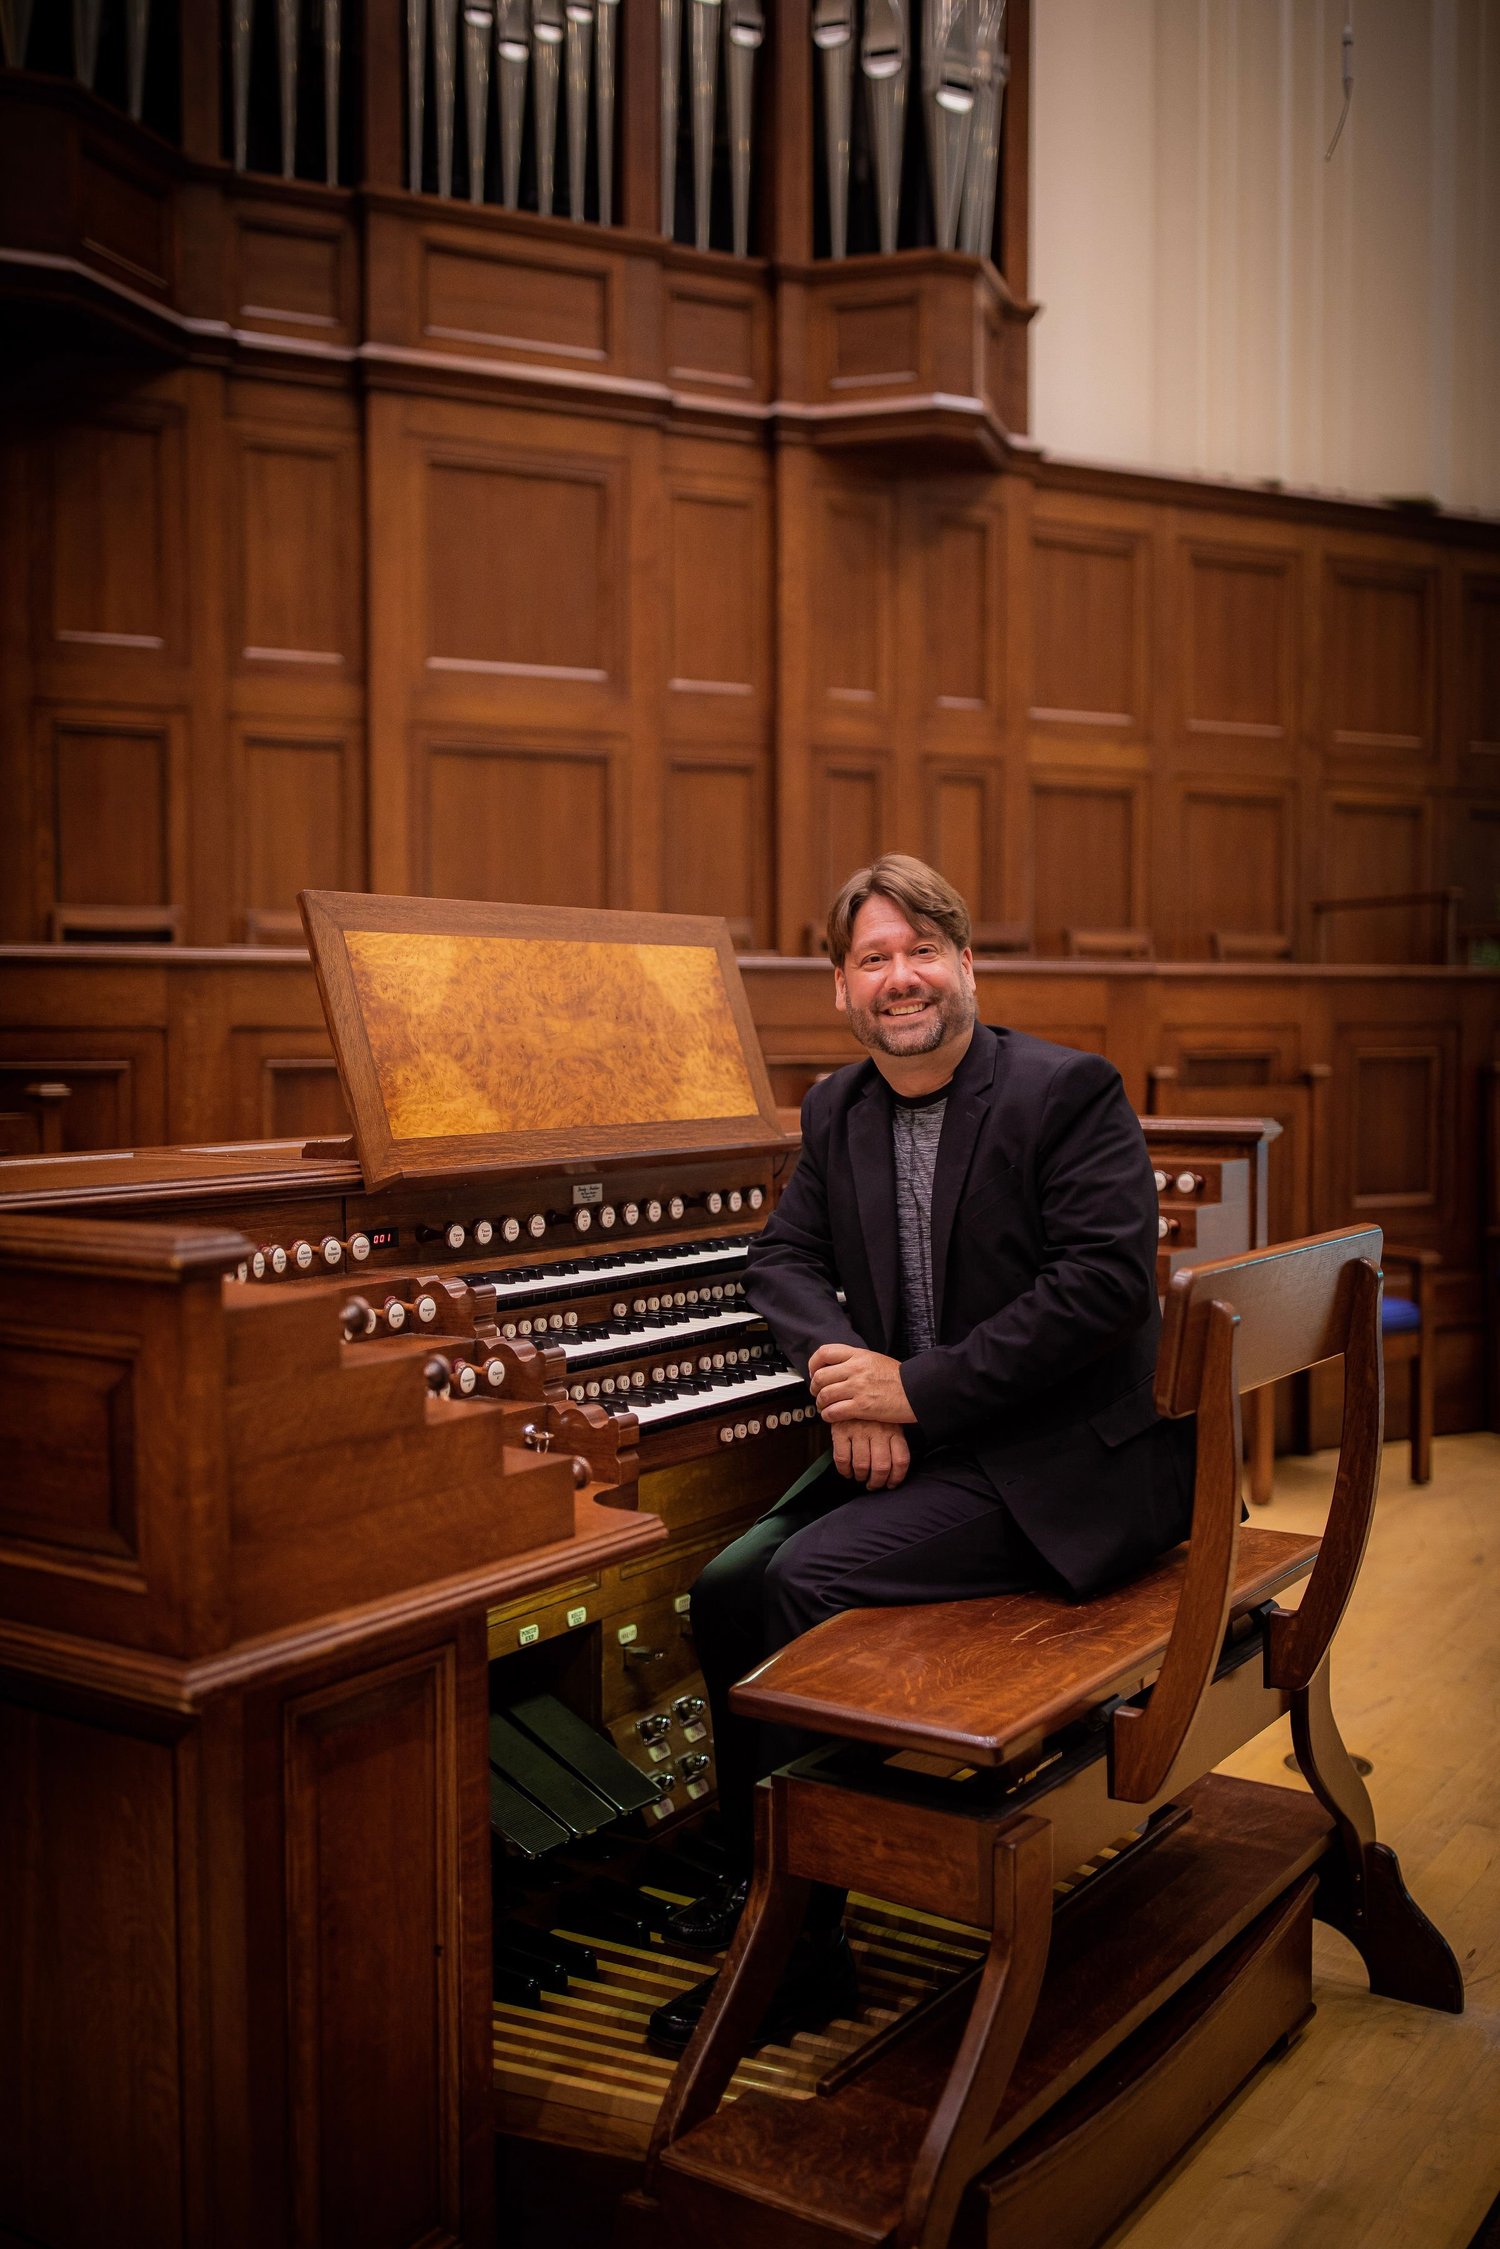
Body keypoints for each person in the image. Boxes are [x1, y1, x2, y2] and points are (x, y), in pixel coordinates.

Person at [647, 854, 1195, 2049]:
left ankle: (809, 1941)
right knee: (726, 1581)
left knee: (807, 1577)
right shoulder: (837, 1107)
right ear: (841, 989)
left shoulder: (1067, 1092)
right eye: (873, 959)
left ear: (965, 966)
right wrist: (848, 1379)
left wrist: (914, 1389)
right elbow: (781, 1264)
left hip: (1067, 1470)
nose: (901, 978)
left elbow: (1101, 1287)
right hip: (933, 1445)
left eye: (920, 950)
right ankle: (765, 1875)